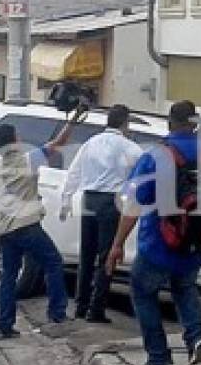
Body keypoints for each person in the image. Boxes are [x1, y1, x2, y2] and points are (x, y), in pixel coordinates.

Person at [106, 101, 201, 365]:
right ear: (194, 124)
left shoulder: (157, 155)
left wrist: (116, 245)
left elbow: (133, 204)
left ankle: (159, 356)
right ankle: (196, 336)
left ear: (170, 123)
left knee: (142, 291)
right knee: (184, 287)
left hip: (160, 243)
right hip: (198, 241)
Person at [0, 111, 80, 339]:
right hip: (27, 225)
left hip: (6, 228)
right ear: (14, 141)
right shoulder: (29, 159)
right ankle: (57, 312)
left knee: (9, 275)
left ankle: (4, 324)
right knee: (54, 262)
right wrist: (73, 121)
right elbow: (58, 143)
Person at [59, 104, 142, 323]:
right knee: (107, 257)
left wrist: (66, 200)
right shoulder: (130, 148)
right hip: (110, 202)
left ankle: (80, 305)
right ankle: (96, 309)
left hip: (89, 199)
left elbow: (74, 172)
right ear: (125, 122)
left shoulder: (90, 143)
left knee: (86, 255)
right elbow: (143, 172)